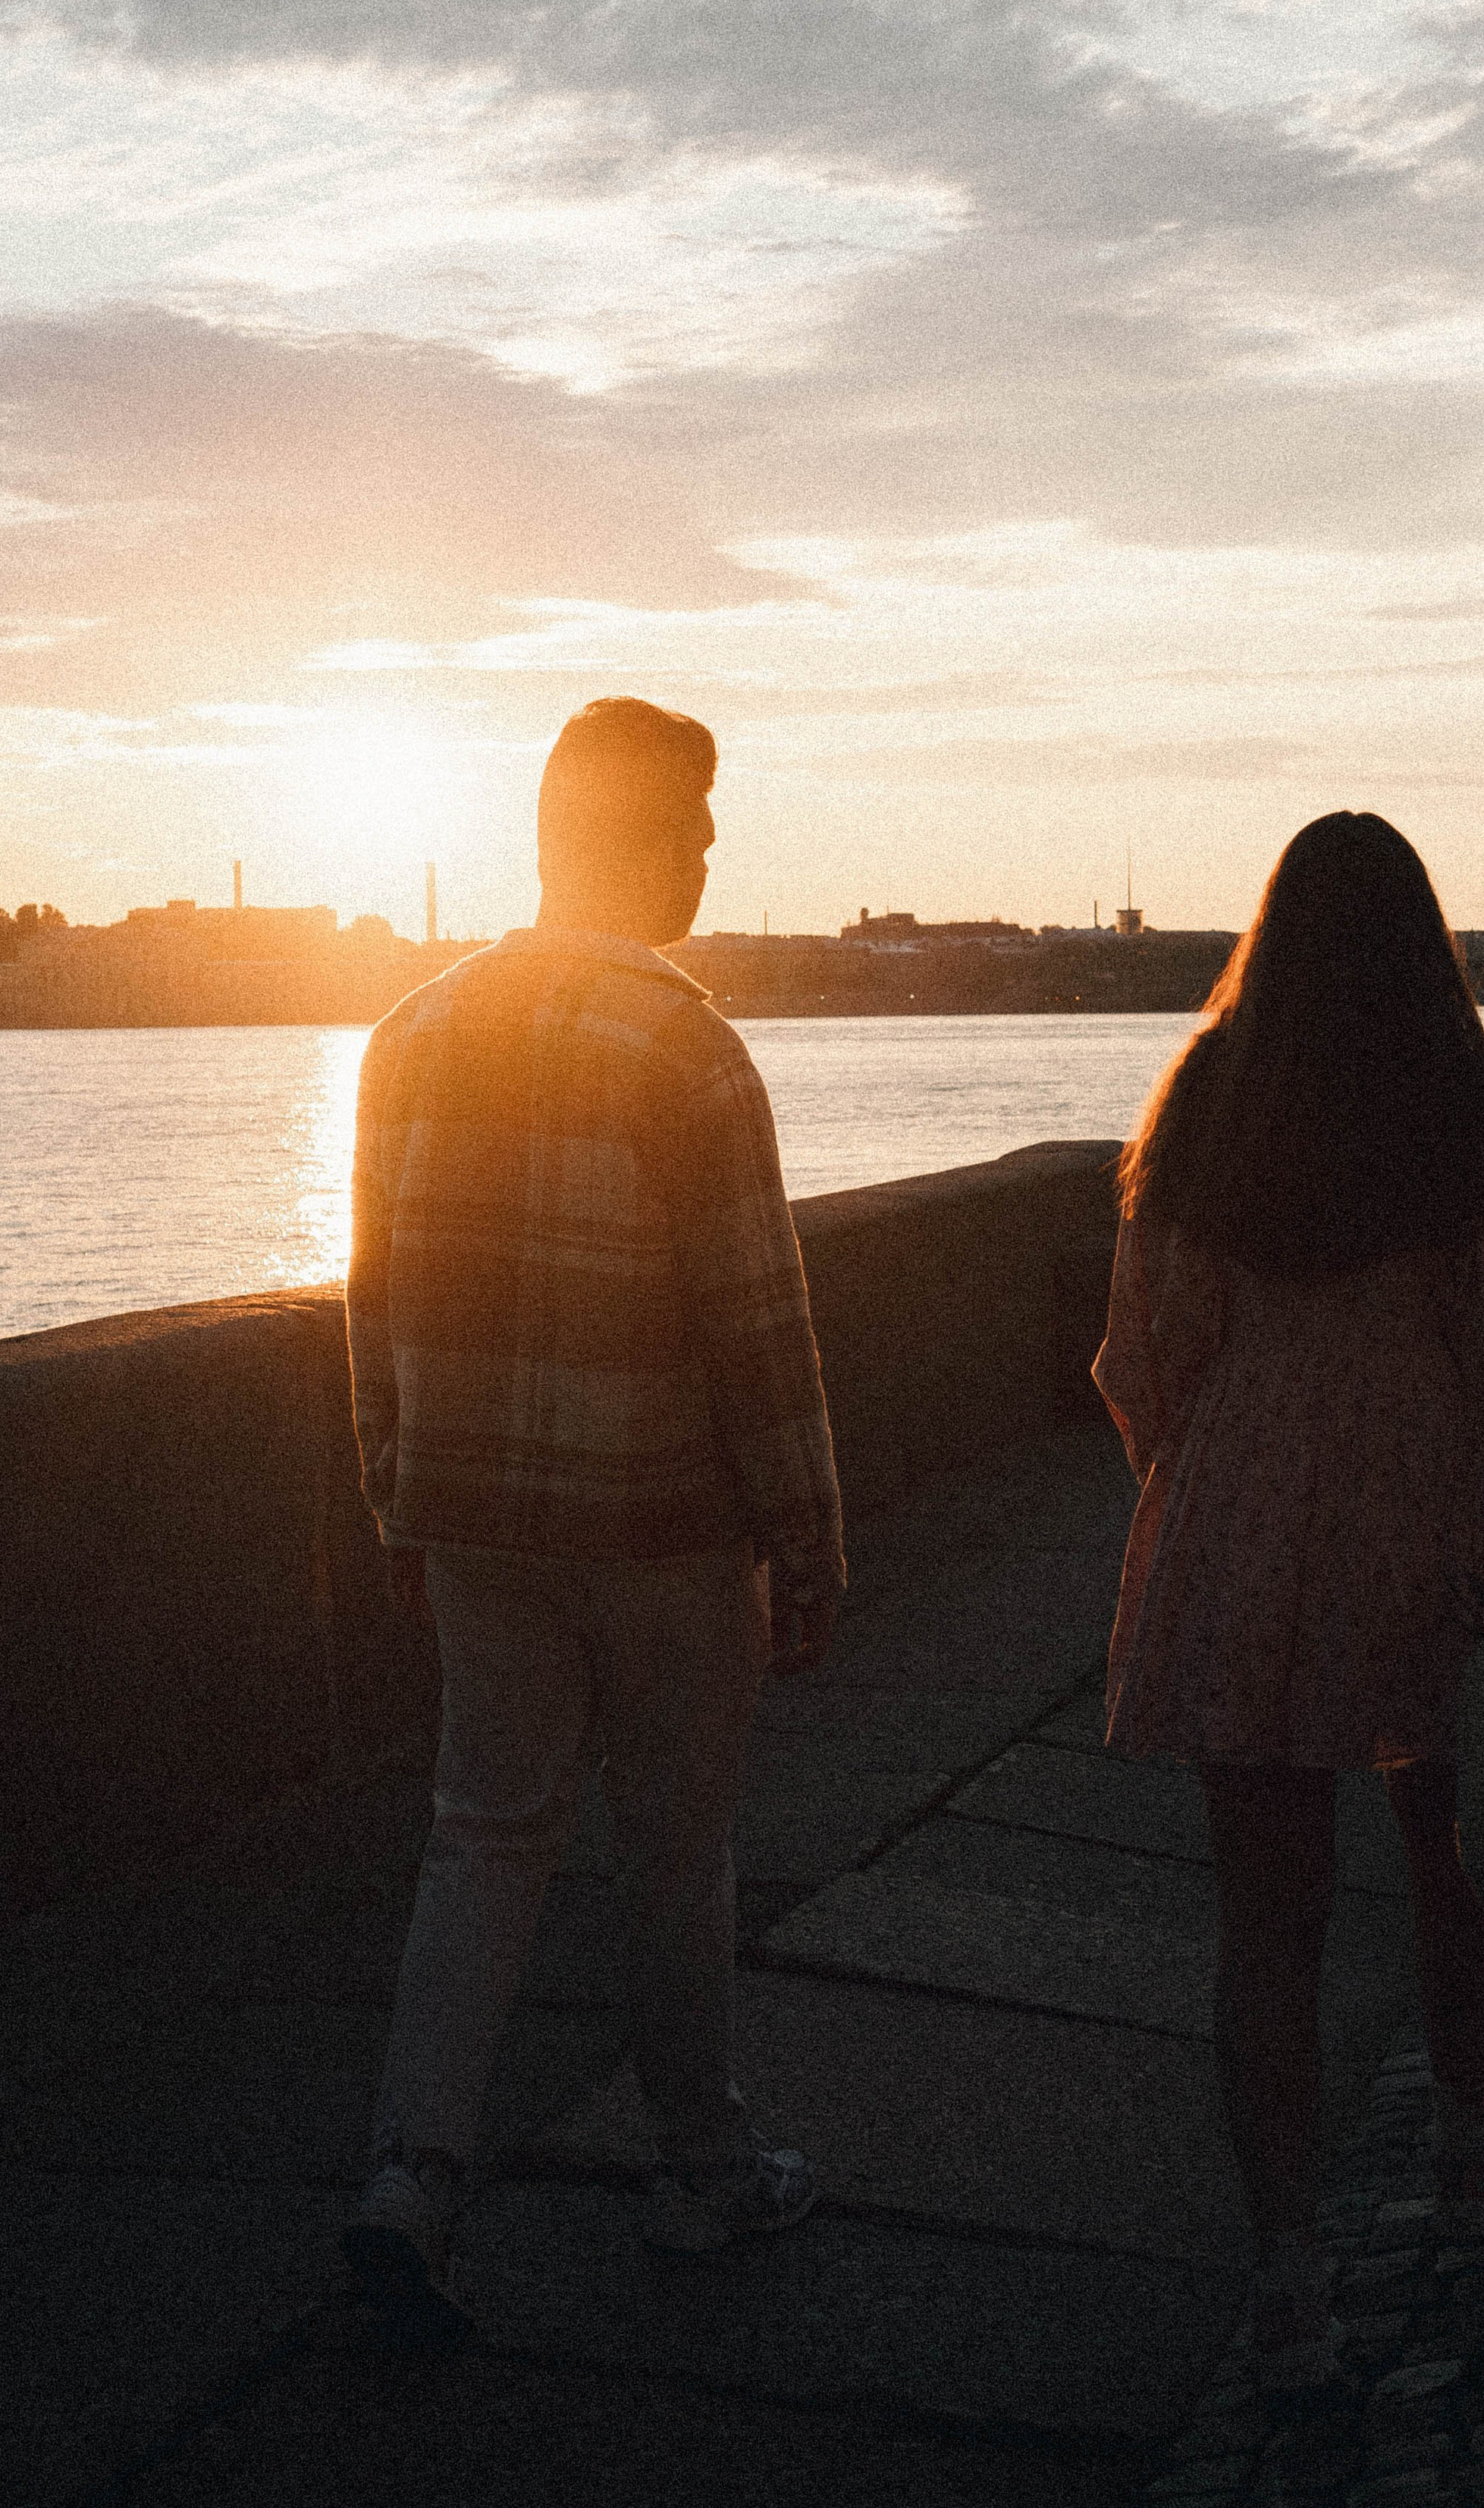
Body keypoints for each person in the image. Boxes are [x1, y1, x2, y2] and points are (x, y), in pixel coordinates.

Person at [1093, 813, 1484, 2412]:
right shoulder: (1473, 1125)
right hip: (1428, 1543)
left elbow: (1141, 1361)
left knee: (1265, 1926)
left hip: (1239, 1539)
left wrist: (1215, 1465)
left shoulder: (1198, 1118)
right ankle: (1470, 2149)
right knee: (1450, 1872)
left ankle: (1284, 2281)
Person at [343, 698, 845, 2333]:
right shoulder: (684, 1048)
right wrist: (811, 1534)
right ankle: (700, 2167)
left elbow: (373, 1297)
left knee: (479, 1835)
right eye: (692, 827)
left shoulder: (409, 1031)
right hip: (660, 1519)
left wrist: (391, 1497)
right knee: (673, 1846)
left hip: (472, 1505)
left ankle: (410, 2180)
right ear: (627, 839)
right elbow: (756, 1326)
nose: (709, 856)